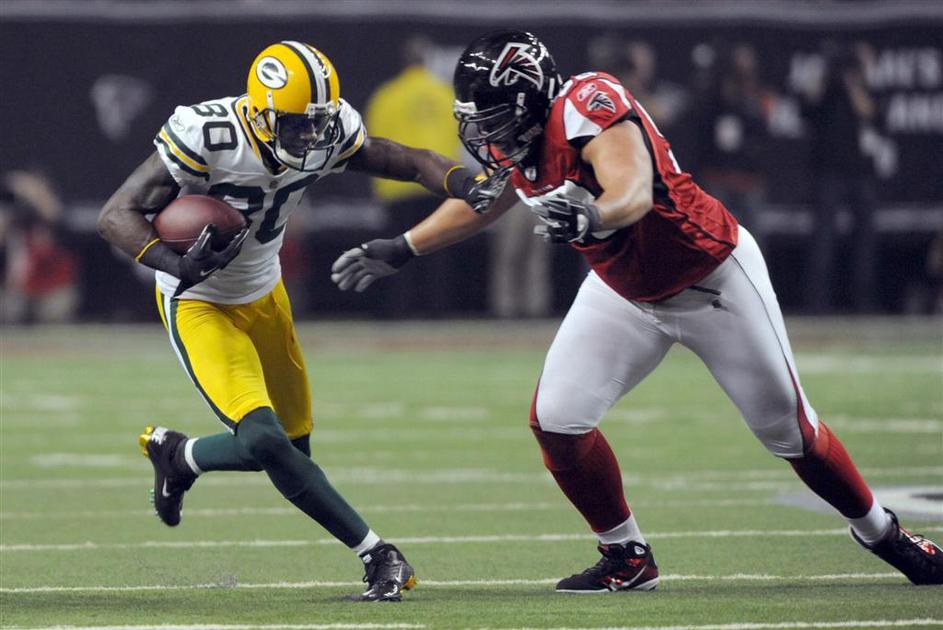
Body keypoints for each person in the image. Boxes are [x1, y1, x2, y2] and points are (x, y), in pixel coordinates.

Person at [331, 30, 943, 591]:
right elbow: (491, 198)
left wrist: (594, 213)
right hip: (623, 288)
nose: (482, 132)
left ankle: (883, 533)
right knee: (558, 419)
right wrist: (404, 246)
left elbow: (632, 188)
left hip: (710, 279)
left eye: (491, 116)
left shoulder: (587, 104)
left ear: (527, 99)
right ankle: (626, 554)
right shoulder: (517, 137)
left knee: (791, 433)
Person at [97, 40, 492, 602]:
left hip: (265, 291)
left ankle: (181, 456)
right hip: (199, 300)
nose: (310, 137)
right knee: (265, 441)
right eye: (297, 125)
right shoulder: (208, 134)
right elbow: (115, 215)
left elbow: (405, 160)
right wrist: (176, 263)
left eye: (318, 124)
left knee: (290, 453)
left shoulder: (325, 130)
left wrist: (466, 183)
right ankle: (379, 554)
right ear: (261, 113)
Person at [364, 35, 463, 317]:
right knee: (435, 251)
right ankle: (436, 312)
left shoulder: (386, 96)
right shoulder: (444, 94)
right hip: (438, 183)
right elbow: (460, 135)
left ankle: (400, 311)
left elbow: (371, 141)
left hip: (397, 187)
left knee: (398, 252)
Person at [800, 40, 879, 313]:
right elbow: (806, 109)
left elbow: (869, 112)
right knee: (822, 241)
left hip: (861, 173)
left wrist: (853, 81)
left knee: (864, 241)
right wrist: (823, 76)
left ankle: (863, 303)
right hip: (828, 172)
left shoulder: (866, 87)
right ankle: (817, 304)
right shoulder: (826, 88)